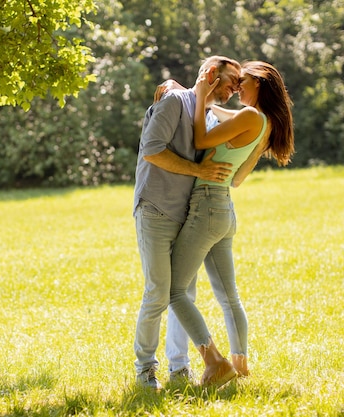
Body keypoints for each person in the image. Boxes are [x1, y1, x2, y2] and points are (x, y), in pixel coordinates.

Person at [164, 61, 295, 386]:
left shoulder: (249, 116)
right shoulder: (262, 124)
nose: (238, 88)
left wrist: (198, 97)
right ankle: (240, 364)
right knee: (228, 296)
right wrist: (197, 95)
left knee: (174, 289)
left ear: (260, 85)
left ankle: (215, 362)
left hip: (206, 207)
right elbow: (237, 179)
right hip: (224, 208)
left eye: (244, 82)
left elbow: (200, 138)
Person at [133, 56, 242, 390]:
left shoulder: (205, 117)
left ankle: (180, 368)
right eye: (231, 81)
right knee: (157, 293)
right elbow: (152, 150)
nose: (235, 89)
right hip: (155, 208)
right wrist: (199, 171)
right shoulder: (174, 102)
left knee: (184, 294)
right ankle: (145, 369)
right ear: (210, 74)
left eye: (239, 84)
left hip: (187, 215)